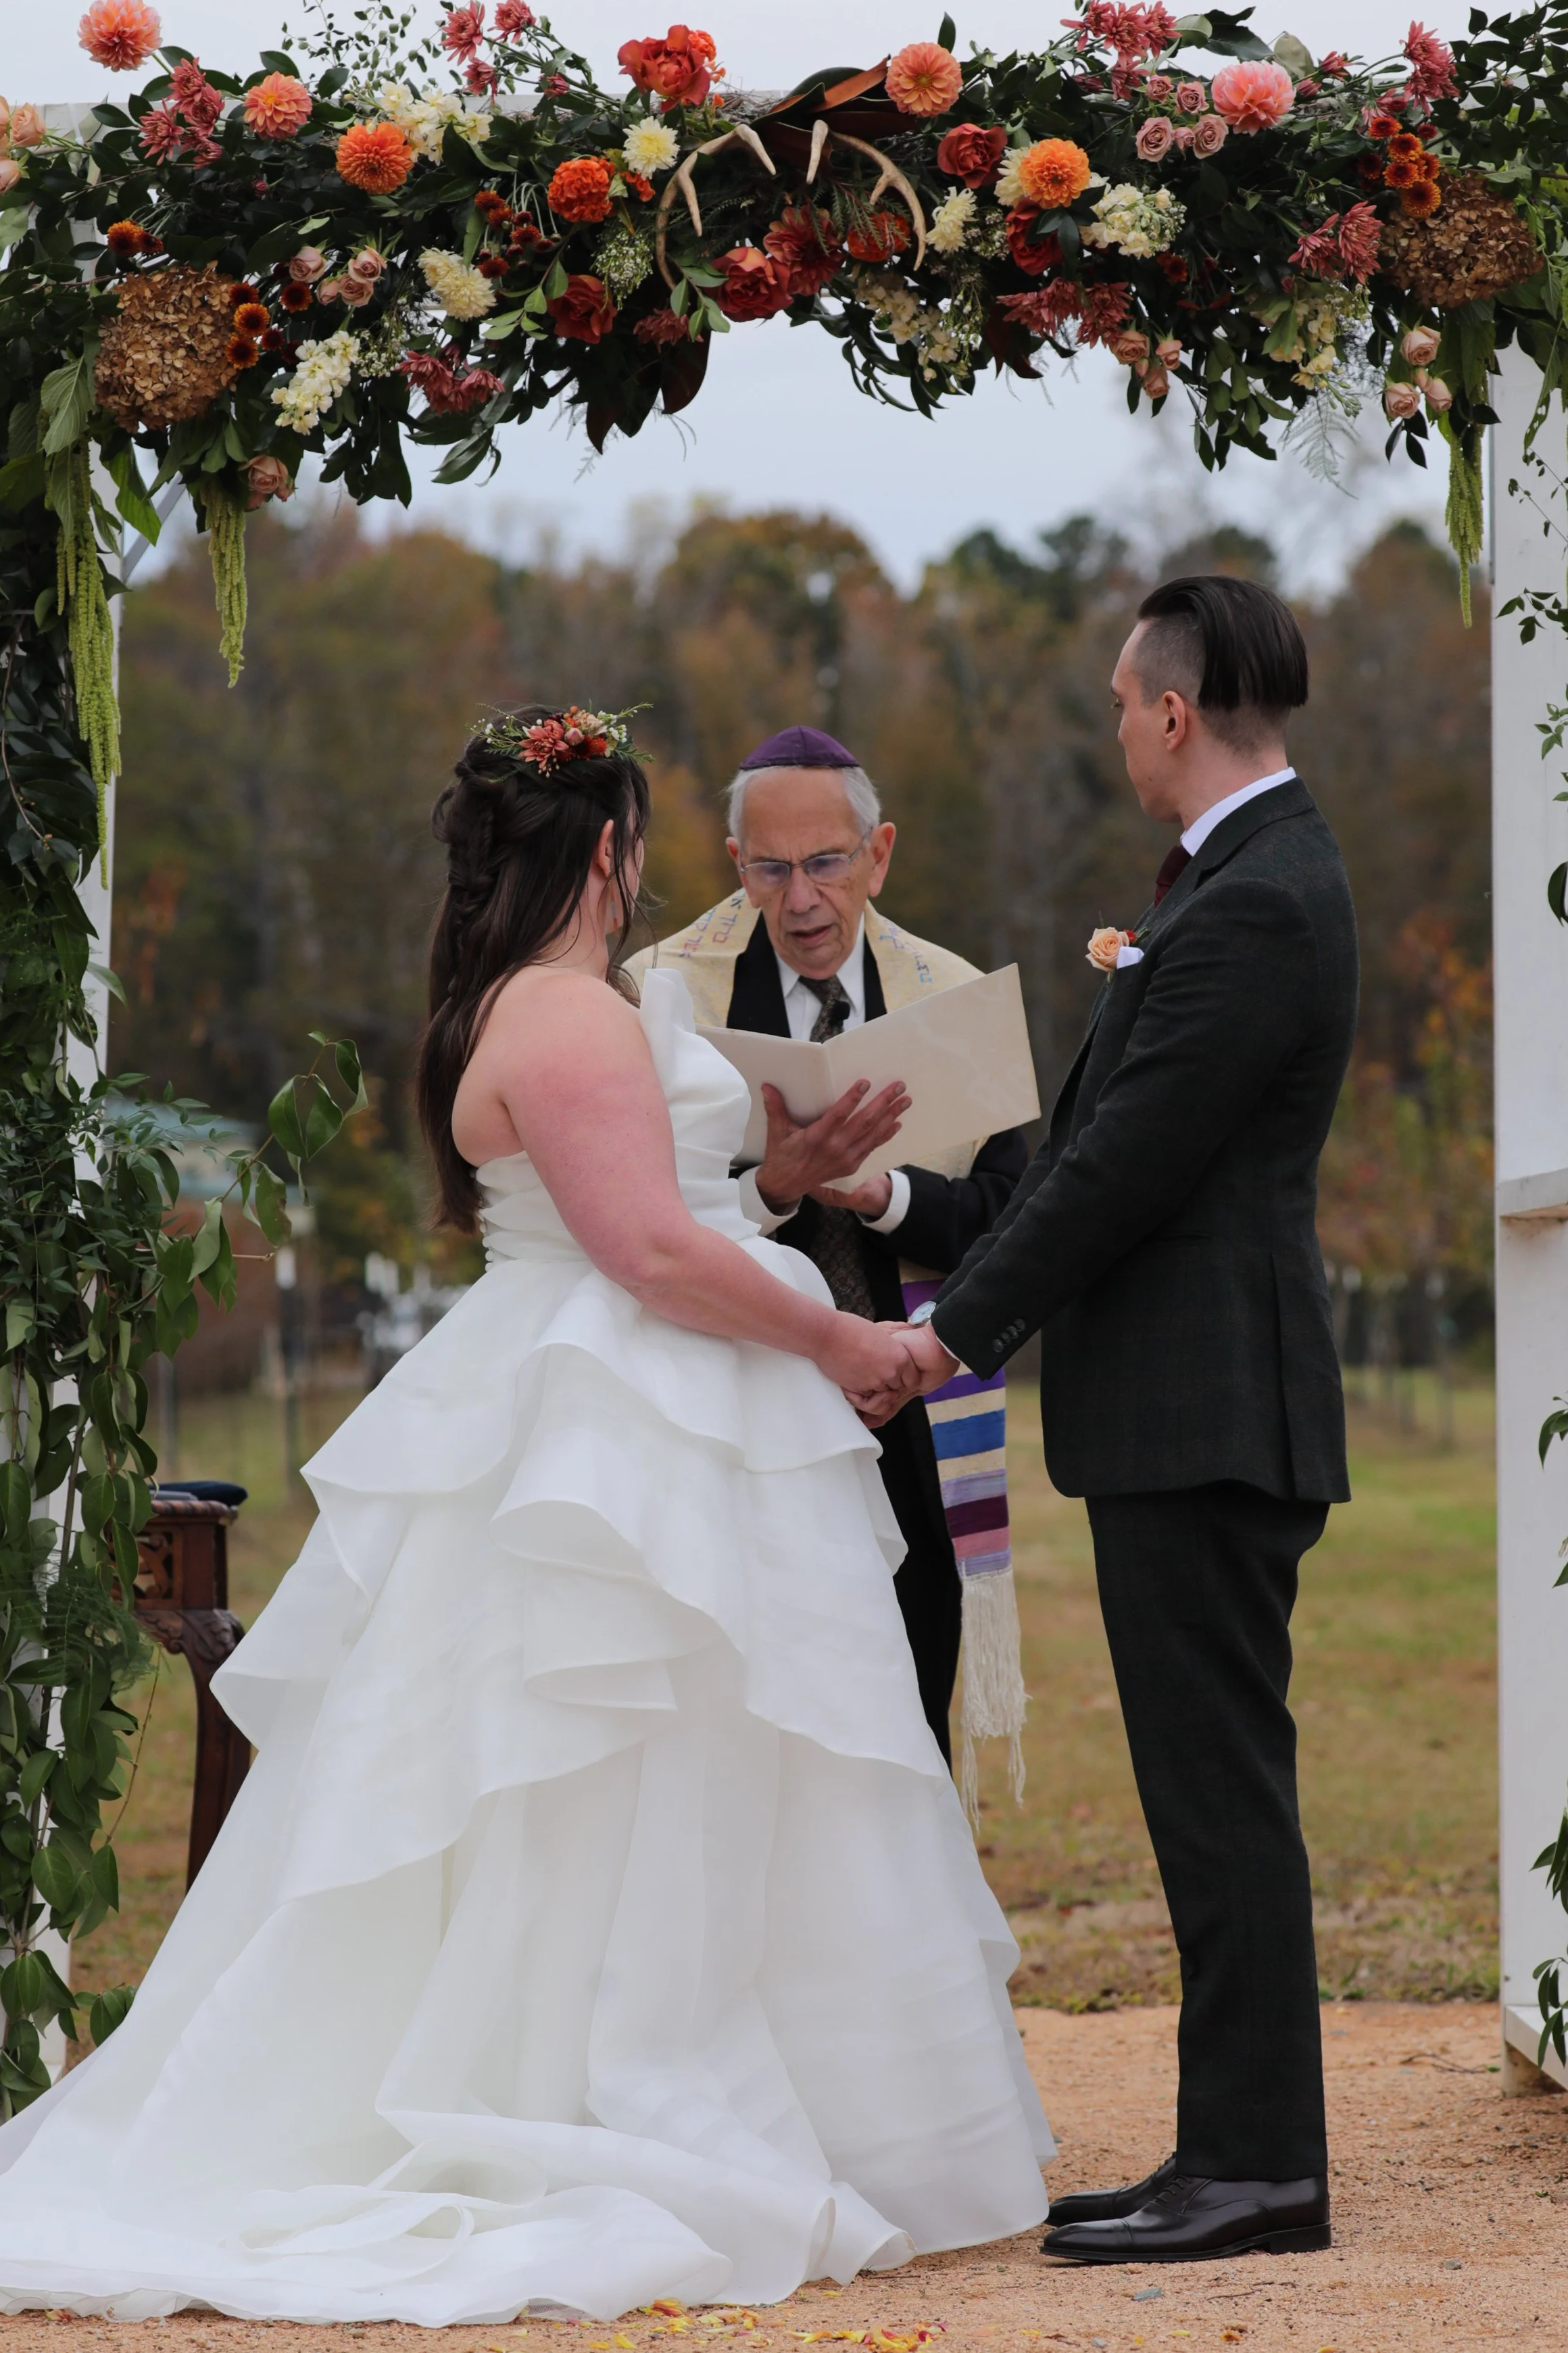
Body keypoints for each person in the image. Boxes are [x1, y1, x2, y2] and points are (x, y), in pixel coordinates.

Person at [0, 704, 1052, 2326]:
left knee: (709, 1769)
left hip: (639, 1399)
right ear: (612, 852)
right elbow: (644, 1252)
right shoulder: (563, 1018)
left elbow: (680, 1207)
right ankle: (596, 2084)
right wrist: (845, 1339)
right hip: (612, 1416)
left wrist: (786, 1178)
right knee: (608, 1764)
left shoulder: (565, 1005)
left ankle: (744, 2076)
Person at [865, 578, 1358, 2264]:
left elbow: (1123, 1171)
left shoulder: (1257, 904)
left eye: (1112, 701)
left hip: (1209, 1409)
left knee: (1220, 1797)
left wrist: (953, 1343)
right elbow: (1076, 1162)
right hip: (1184, 1410)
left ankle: (1257, 2171)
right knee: (1205, 1791)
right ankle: (1223, 2148)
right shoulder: (1239, 884)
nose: (1112, 729)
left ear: (1166, 709)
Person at [629, 727, 1029, 1771]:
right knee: (738, 1704)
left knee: (907, 1684)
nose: (800, 898)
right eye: (770, 869)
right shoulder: (662, 997)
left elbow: (1015, 1216)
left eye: (825, 863)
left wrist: (886, 1195)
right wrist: (773, 1187)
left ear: (879, 854)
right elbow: (626, 1215)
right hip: (733, 1399)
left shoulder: (955, 999)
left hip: (905, 1402)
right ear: (735, 866)